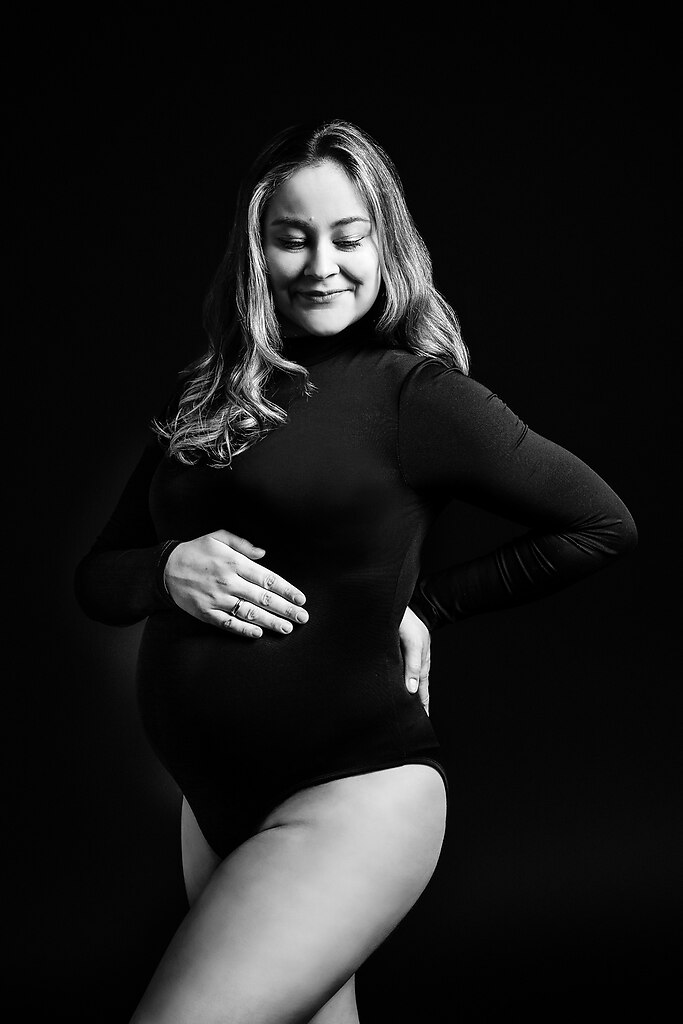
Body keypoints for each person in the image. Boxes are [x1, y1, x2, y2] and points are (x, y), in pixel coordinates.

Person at [74, 119, 638, 1024]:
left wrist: (425, 605)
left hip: (352, 793)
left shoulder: (415, 396)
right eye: (291, 238)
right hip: (212, 804)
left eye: (348, 237)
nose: (321, 265)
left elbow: (600, 523)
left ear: (385, 246)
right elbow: (99, 579)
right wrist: (167, 567)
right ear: (255, 251)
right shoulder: (212, 396)